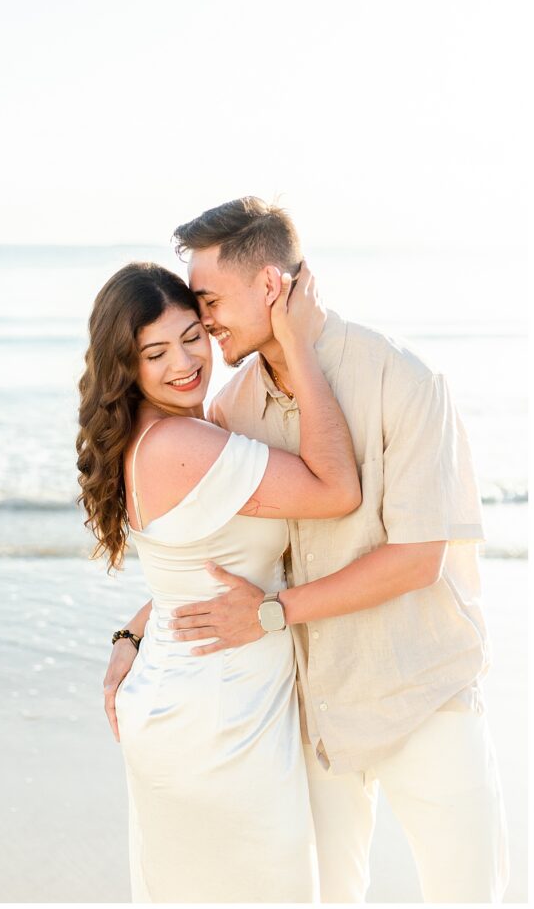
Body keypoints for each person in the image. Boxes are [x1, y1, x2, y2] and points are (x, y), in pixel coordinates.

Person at [105, 197, 510, 904]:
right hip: (310, 710)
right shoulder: (232, 409)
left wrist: (270, 614)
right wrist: (133, 633)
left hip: (423, 691)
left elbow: (418, 558)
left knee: (467, 895)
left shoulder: (404, 382)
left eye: (209, 301)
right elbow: (220, 555)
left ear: (271, 287)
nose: (202, 326)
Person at [77, 260, 361, 902]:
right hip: (217, 718)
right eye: (155, 352)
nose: (184, 362)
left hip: (195, 698)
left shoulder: (155, 437)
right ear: (127, 366)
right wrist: (298, 346)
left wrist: (129, 632)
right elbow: (338, 489)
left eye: (190, 336)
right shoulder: (182, 443)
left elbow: (189, 568)